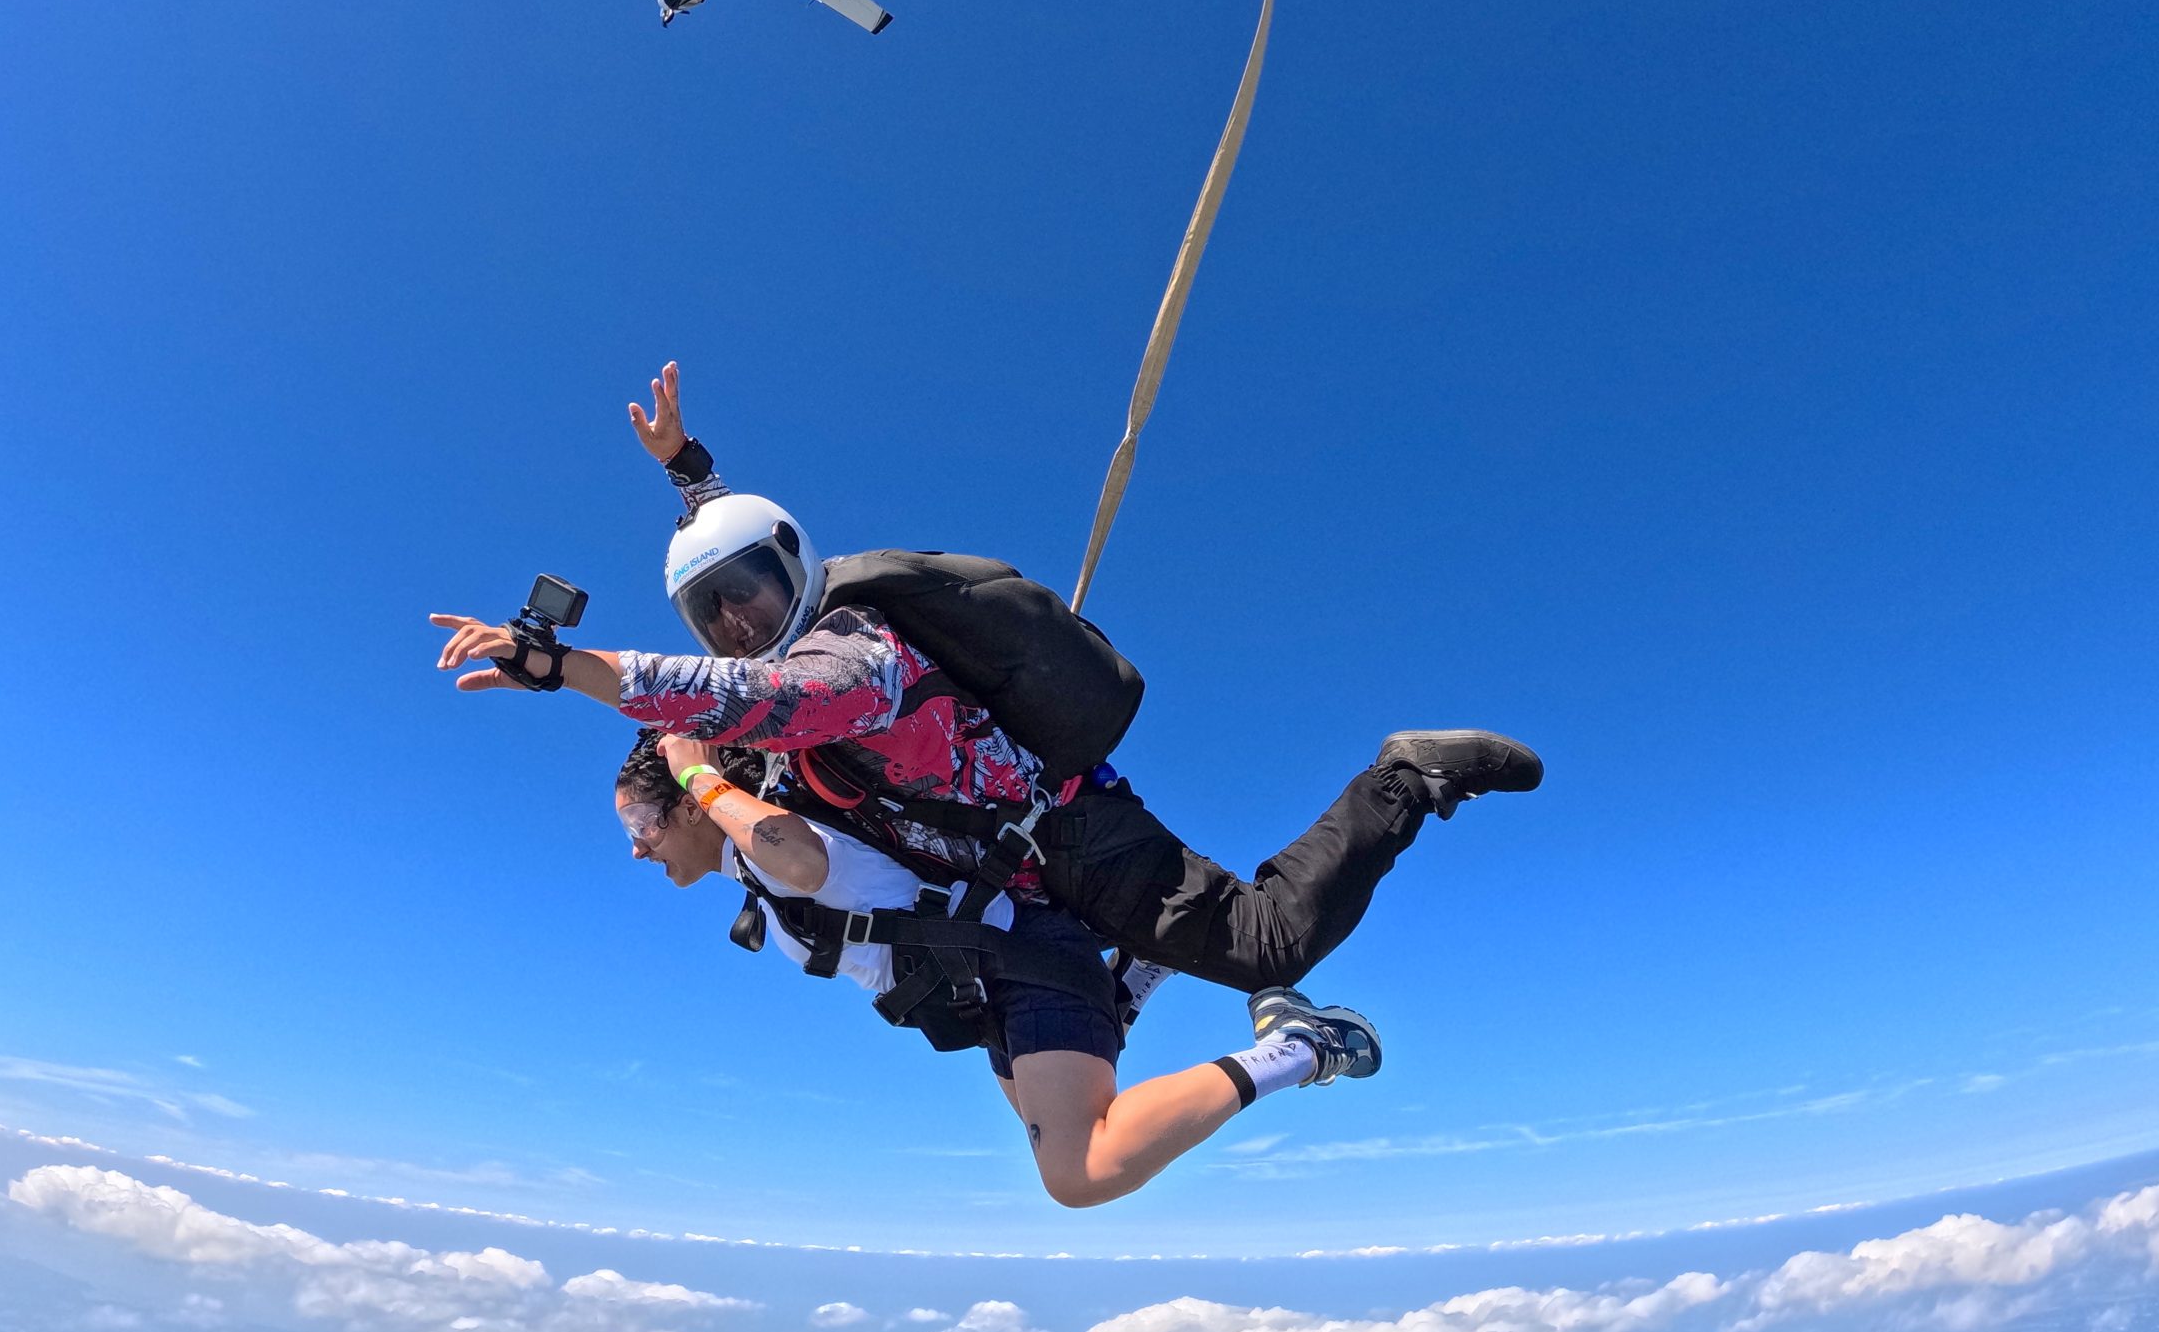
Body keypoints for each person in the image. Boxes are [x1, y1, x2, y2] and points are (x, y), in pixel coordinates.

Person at [430, 362, 1543, 1034]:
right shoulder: (800, 626)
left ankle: (1408, 777)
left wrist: (566, 668)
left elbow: (741, 696)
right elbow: (746, 570)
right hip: (1018, 856)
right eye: (713, 611)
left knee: (1264, 945)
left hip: (1072, 837)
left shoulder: (847, 664)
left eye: (751, 600)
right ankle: (1148, 964)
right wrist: (691, 473)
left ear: (798, 572)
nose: (736, 625)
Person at [612, 730, 1379, 1208]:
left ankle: (1305, 1046)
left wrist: (701, 780)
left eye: (642, 825)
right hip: (988, 990)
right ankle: (1133, 978)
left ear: (684, 810)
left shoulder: (765, 839)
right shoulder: (756, 866)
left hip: (1024, 963)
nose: (638, 847)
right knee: (1043, 1121)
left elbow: (807, 864)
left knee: (1082, 1169)